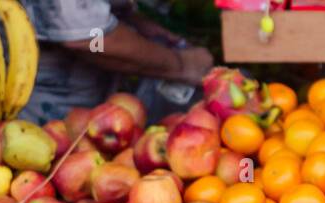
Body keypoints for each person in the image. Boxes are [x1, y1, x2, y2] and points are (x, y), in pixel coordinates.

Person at [18, 0, 214, 124]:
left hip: (105, 112)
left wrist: (131, 22)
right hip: (50, 119)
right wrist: (181, 65)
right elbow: (88, 40)